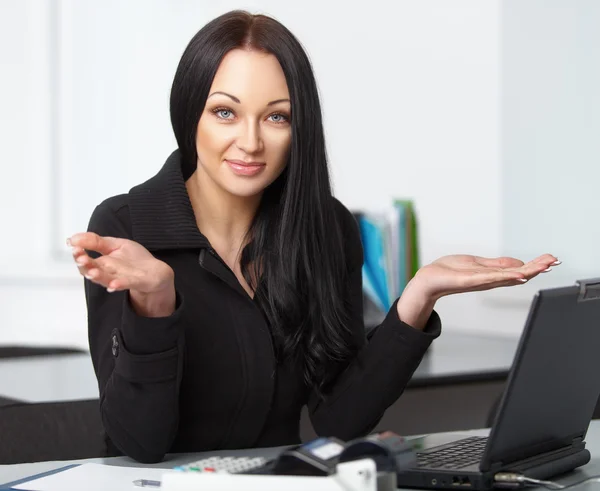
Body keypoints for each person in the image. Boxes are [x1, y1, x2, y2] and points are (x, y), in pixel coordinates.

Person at [67, 10, 559, 464]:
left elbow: (339, 420)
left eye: (277, 116)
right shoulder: (126, 227)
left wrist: (418, 296)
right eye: (225, 112)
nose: (251, 141)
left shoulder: (326, 229)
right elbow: (139, 442)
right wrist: (154, 304)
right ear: (190, 112)